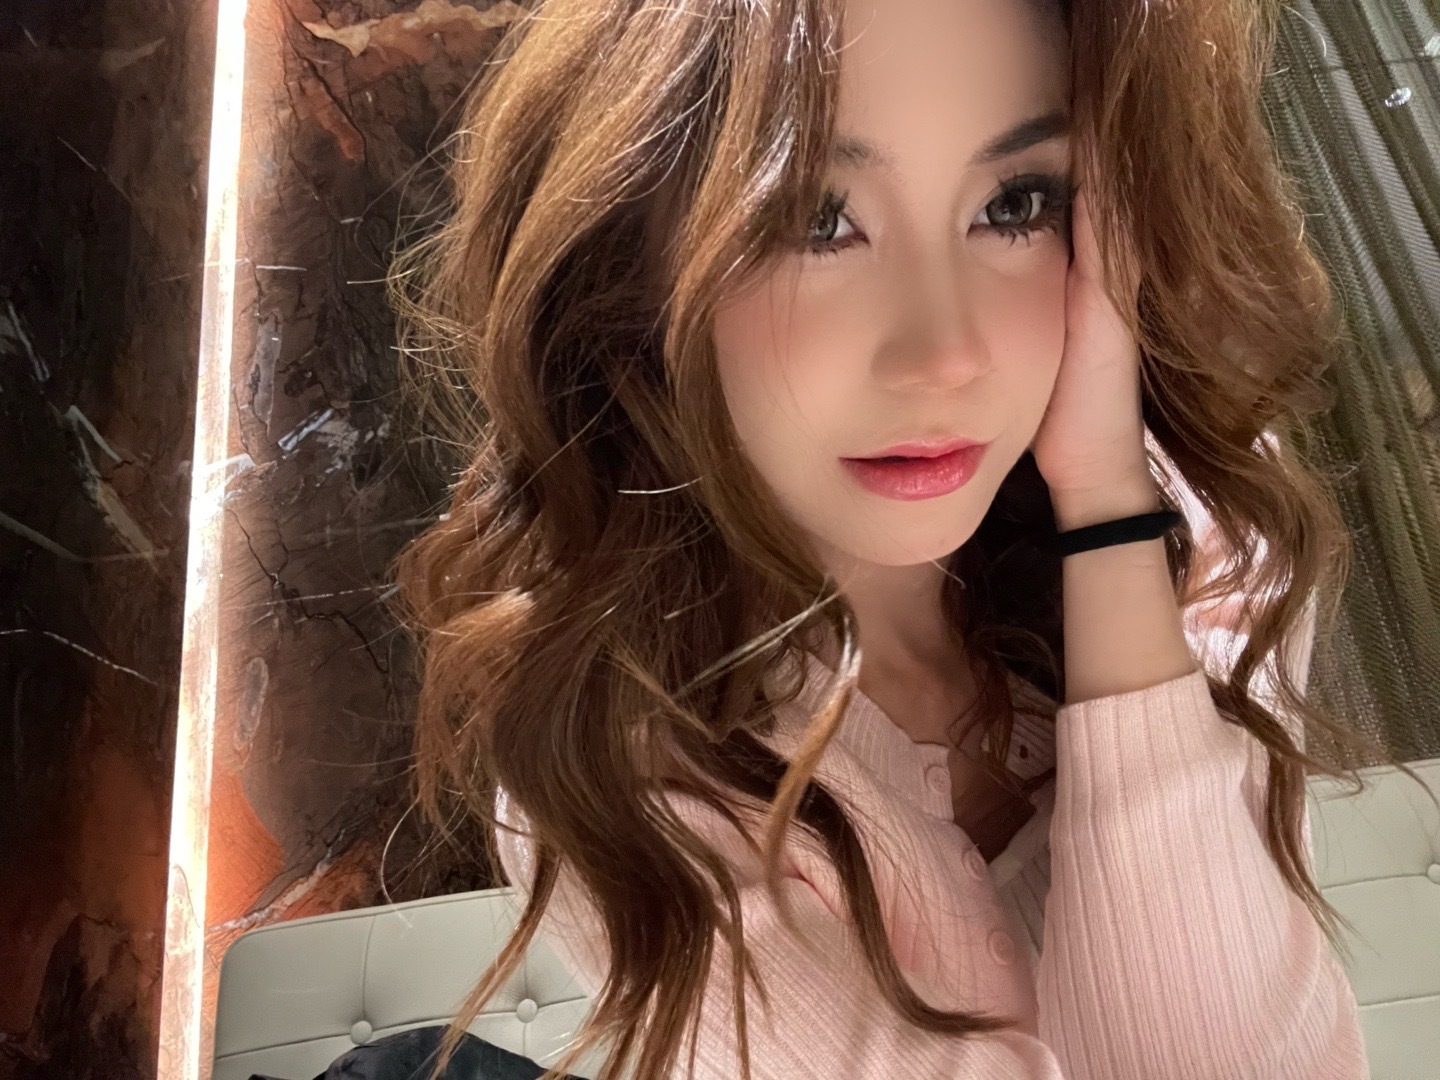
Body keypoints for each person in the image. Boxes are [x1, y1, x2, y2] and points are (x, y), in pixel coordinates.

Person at [384, 0, 1427, 1075]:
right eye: (813, 219)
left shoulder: (1209, 554)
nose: (943, 355)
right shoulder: (638, 782)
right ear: (630, 267)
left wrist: (1109, 503)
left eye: (1016, 205)